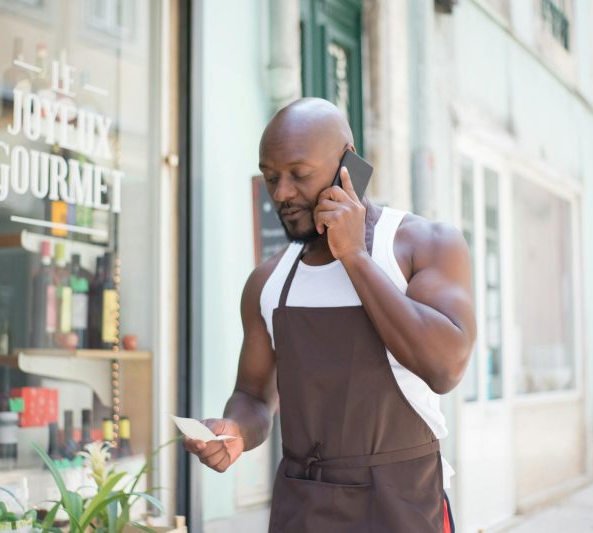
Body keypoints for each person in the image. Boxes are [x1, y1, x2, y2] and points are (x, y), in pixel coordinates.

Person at [184, 97, 476, 532]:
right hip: (301, 509)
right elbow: (252, 396)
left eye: (299, 175)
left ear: (348, 165)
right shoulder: (267, 281)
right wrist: (236, 431)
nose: (282, 194)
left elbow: (445, 368)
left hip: (400, 505)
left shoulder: (424, 244)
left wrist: (355, 256)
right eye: (270, 178)